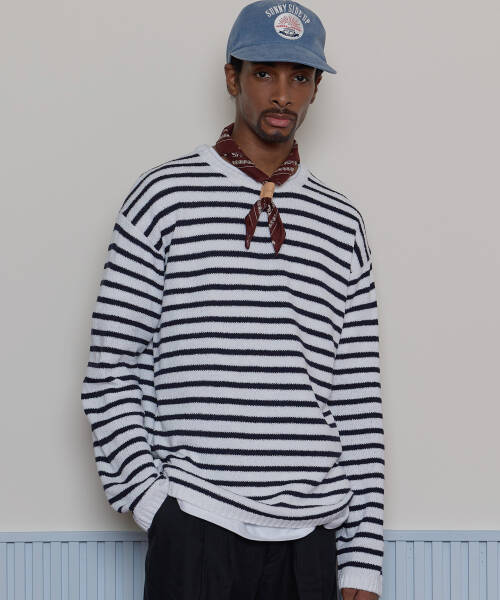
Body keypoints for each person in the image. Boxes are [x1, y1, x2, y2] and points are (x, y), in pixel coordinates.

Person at [81, 1, 385, 599]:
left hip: (312, 539)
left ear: (316, 88)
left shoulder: (341, 222)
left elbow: (357, 398)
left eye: (300, 77)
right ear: (232, 77)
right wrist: (155, 504)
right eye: (264, 73)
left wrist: (362, 559)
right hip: (196, 524)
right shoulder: (164, 197)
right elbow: (110, 369)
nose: (282, 94)